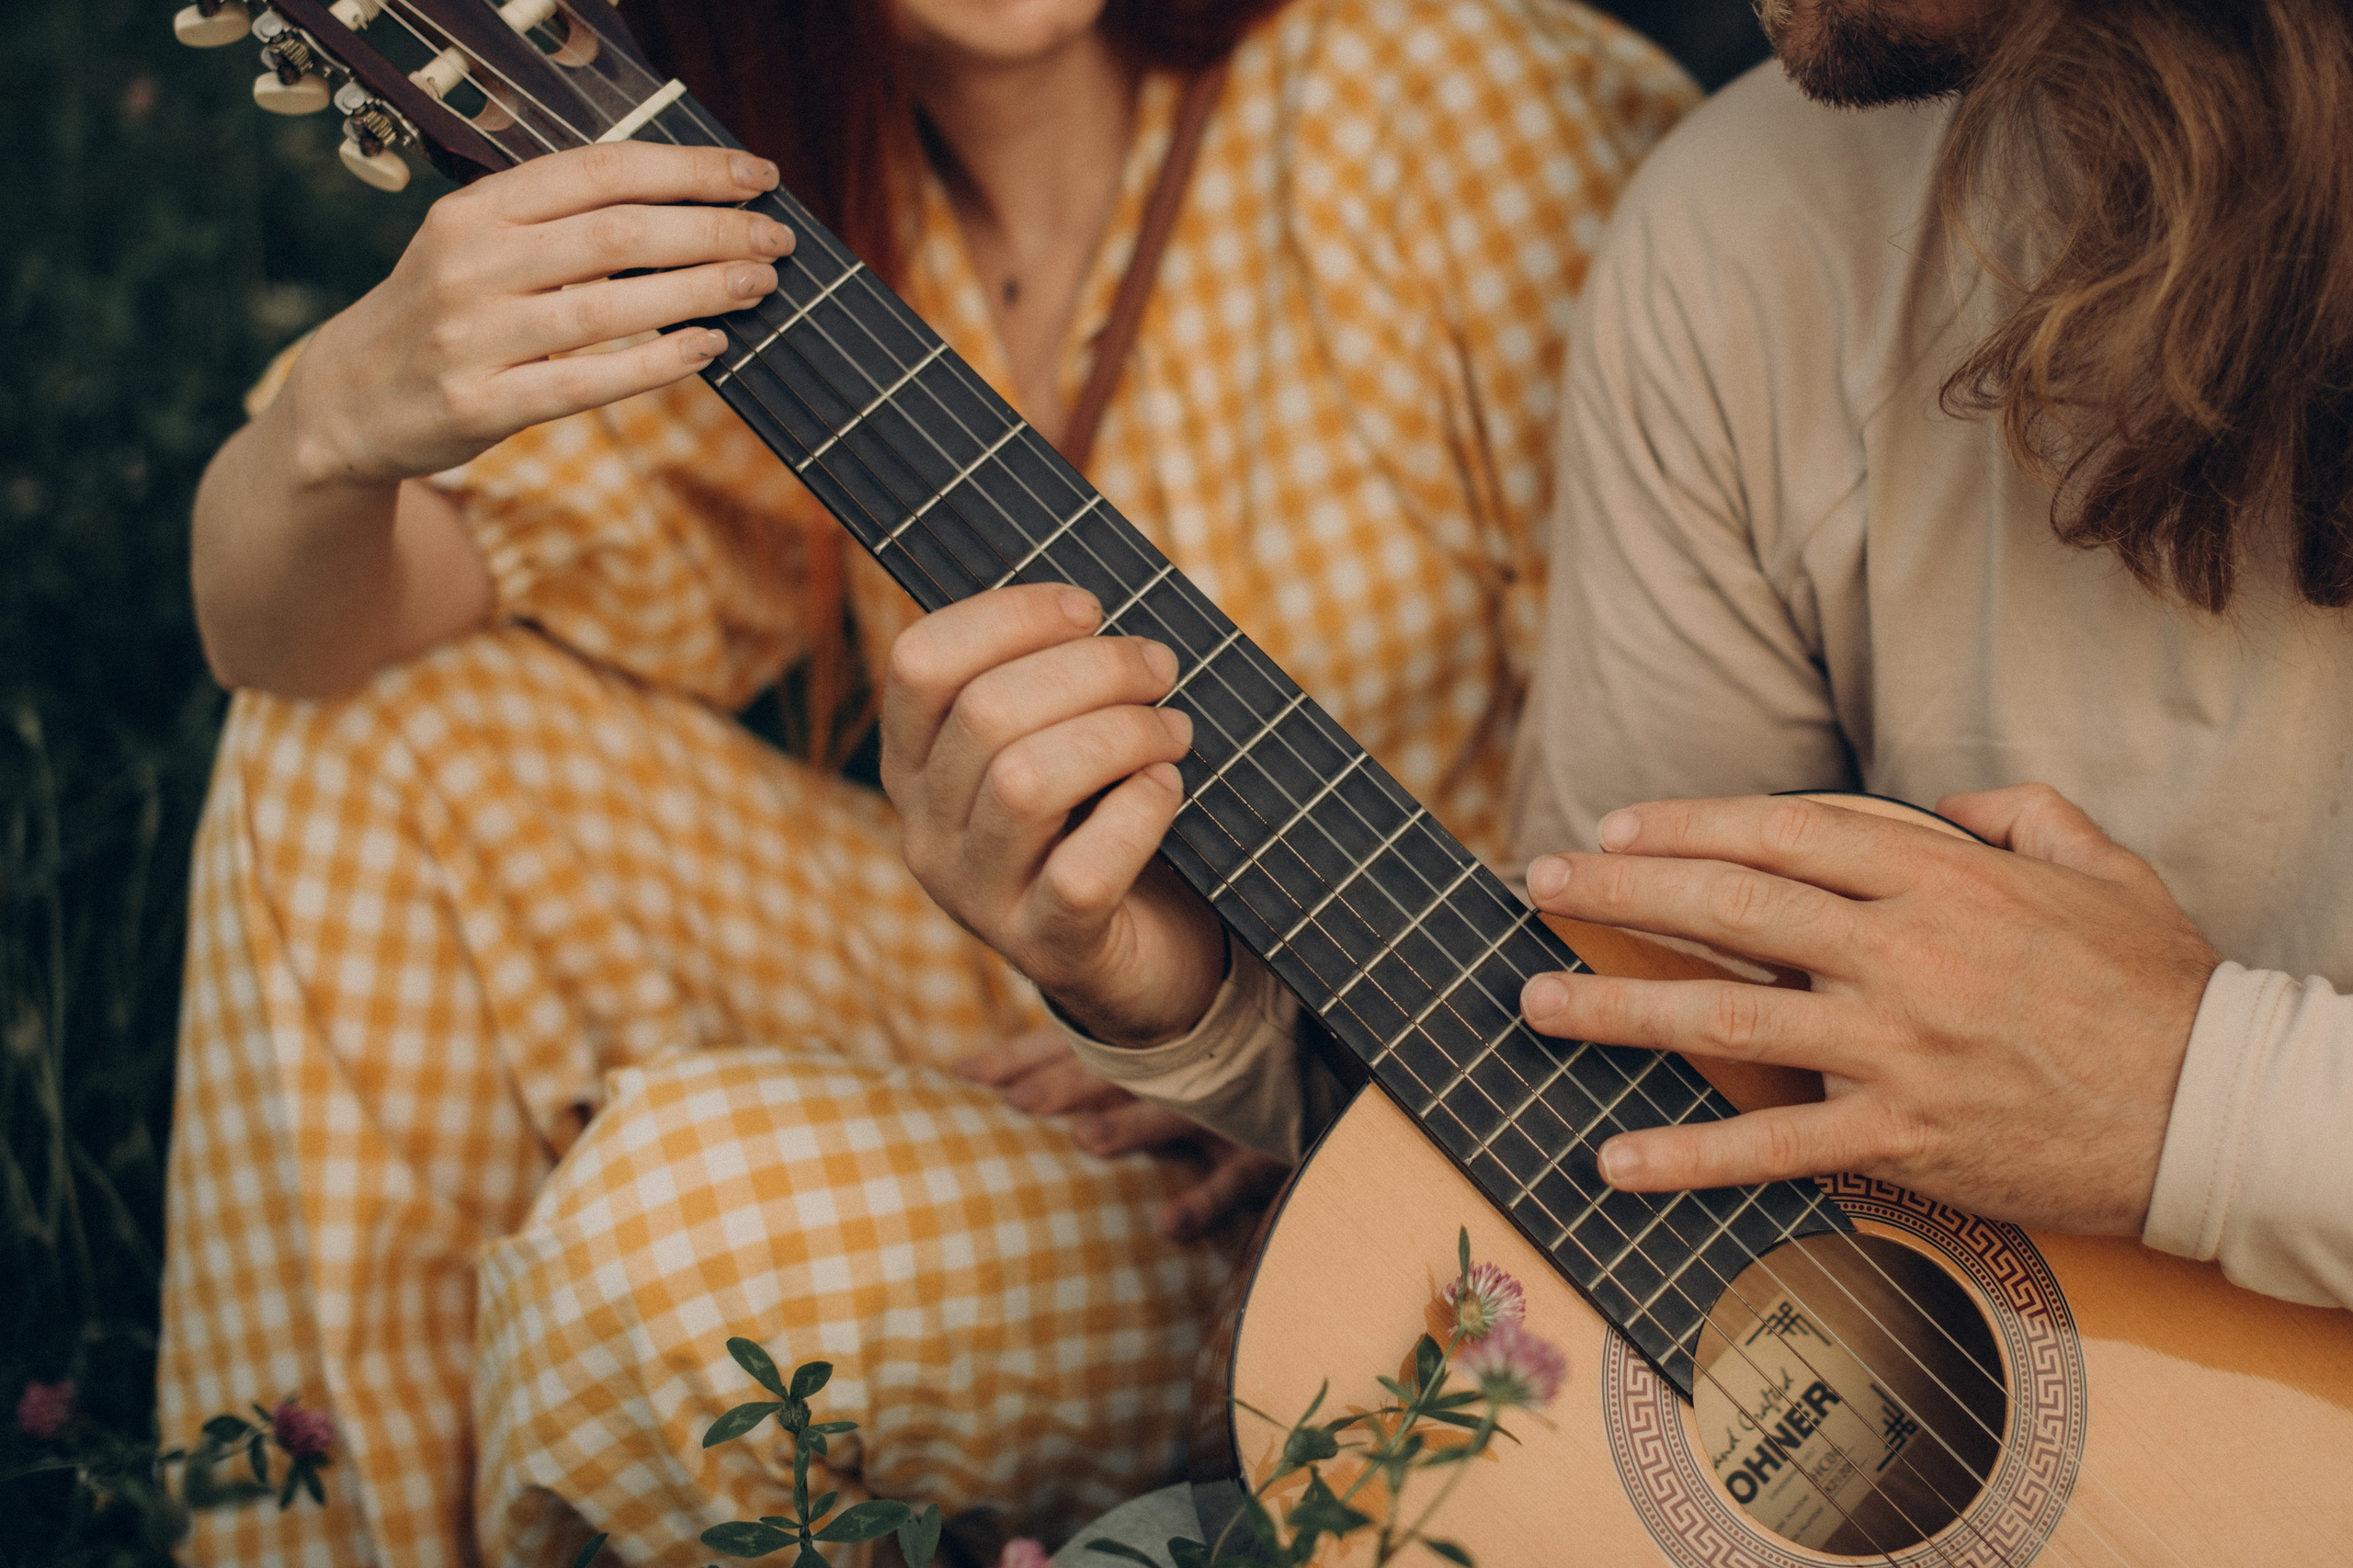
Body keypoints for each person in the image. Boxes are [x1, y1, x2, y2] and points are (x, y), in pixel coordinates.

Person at [161, 0, 1696, 1562]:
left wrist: (1272, 1027)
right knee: (358, 735)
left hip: (1461, 1177)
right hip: (1045, 1030)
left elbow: (1726, 796)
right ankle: (311, 1530)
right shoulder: (792, 191)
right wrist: (336, 427)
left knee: (677, 1244)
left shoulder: (1456, 96)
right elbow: (282, 635)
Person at [887, 0, 2353, 1339]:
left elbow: (2153, 1095)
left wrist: (2192, 1099)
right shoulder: (1741, 227)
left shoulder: (1425, 103)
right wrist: (1196, 990)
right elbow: (1628, 1070)